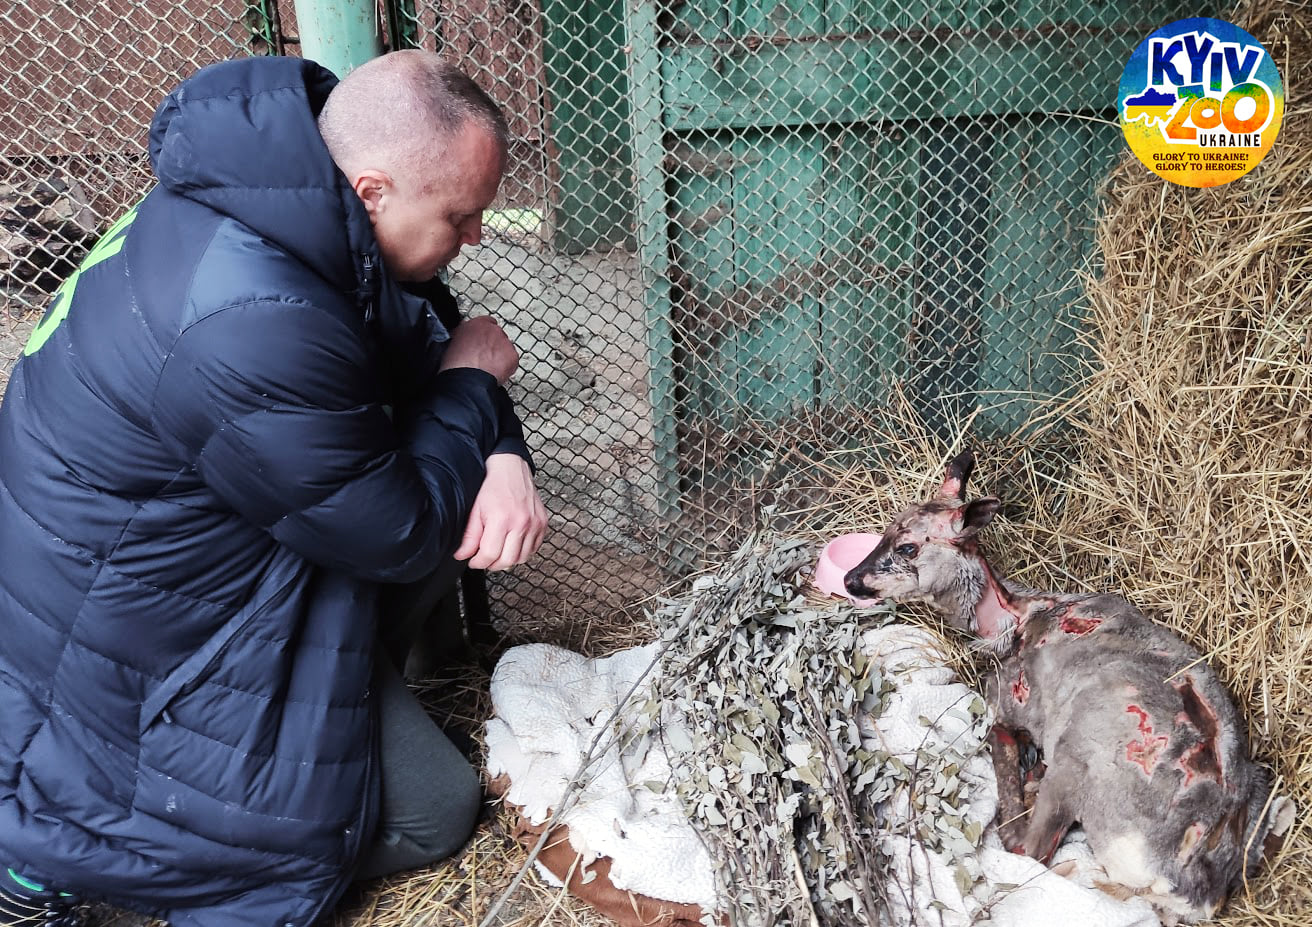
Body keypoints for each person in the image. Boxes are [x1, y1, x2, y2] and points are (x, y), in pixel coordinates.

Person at [0, 49, 548, 926]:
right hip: (127, 659)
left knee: (454, 509)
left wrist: (501, 448)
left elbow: (427, 328)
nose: (474, 238)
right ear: (373, 190)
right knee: (432, 811)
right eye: (461, 216)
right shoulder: (255, 316)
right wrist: (476, 392)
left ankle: (359, 680)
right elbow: (399, 527)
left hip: (173, 570)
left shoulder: (283, 205)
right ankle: (36, 871)